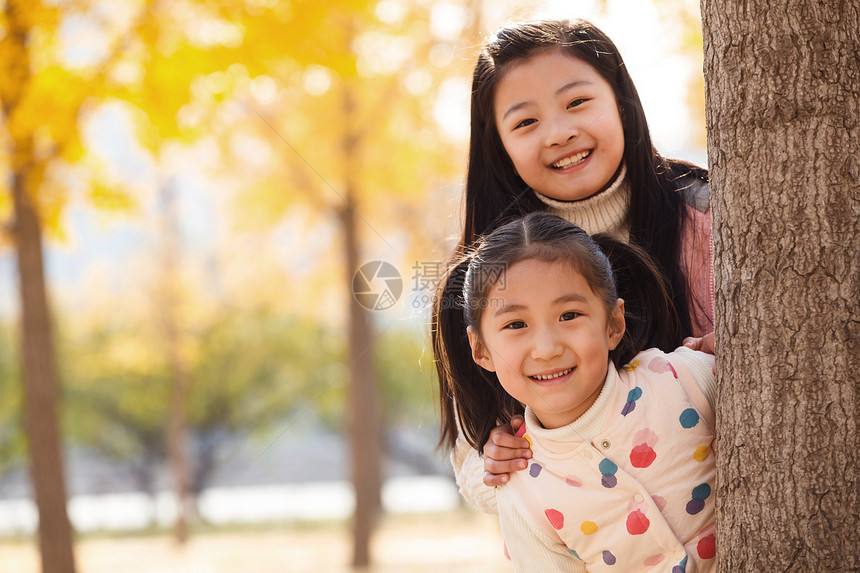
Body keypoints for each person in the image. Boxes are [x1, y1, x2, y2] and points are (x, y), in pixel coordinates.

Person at [431, 18, 715, 509]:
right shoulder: (485, 270)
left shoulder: (710, 216)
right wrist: (496, 464)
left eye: (577, 102)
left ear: (622, 102)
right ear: (499, 146)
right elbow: (470, 446)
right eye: (525, 122)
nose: (560, 133)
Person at [435, 212, 716, 572]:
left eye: (569, 315)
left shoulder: (683, 381)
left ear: (614, 323)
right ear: (482, 351)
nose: (547, 348)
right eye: (516, 324)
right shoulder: (523, 492)